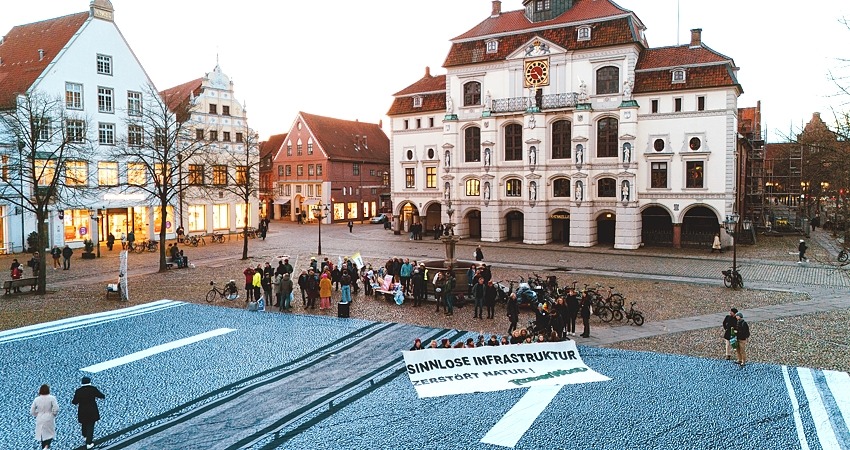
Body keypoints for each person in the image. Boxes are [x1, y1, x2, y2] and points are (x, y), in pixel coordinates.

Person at [72, 376, 105, 449]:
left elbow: (74, 401)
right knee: (90, 425)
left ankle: (85, 436)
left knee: (84, 423)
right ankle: (89, 443)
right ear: (89, 382)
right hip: (92, 410)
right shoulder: (93, 389)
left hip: (82, 411)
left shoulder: (78, 391)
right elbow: (101, 396)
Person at [31, 383, 59, 449]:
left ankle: (44, 447)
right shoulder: (52, 398)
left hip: (40, 417)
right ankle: (46, 446)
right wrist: (53, 414)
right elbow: (56, 408)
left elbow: (32, 411)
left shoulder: (37, 399)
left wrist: (37, 414)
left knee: (42, 434)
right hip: (49, 417)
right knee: (50, 434)